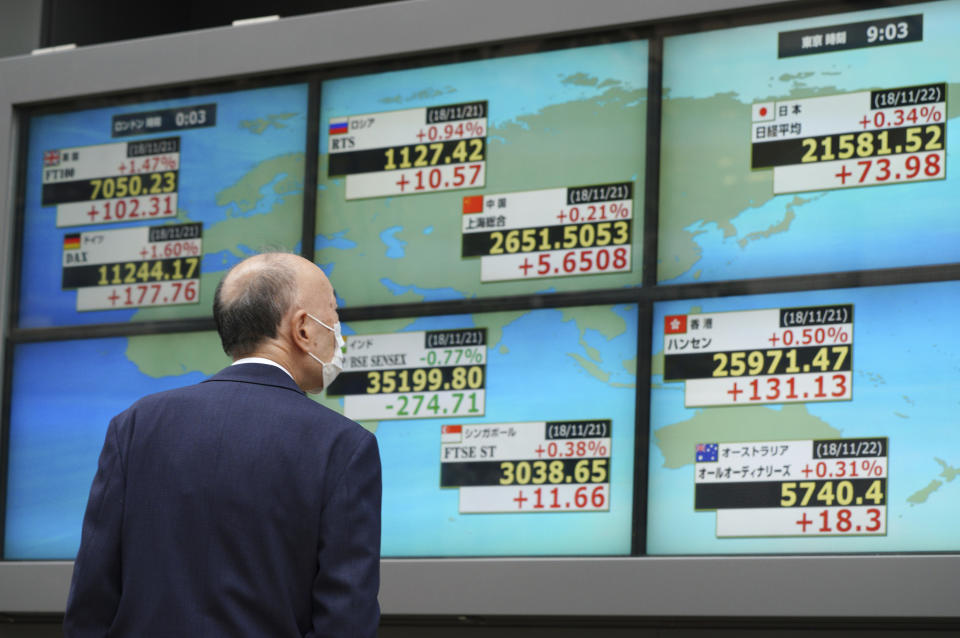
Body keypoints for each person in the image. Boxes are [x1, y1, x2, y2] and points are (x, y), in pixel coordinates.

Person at [64, 253, 382, 638]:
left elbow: (91, 601)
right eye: (333, 313)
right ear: (302, 329)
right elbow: (345, 622)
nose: (337, 329)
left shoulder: (135, 425)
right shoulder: (344, 446)